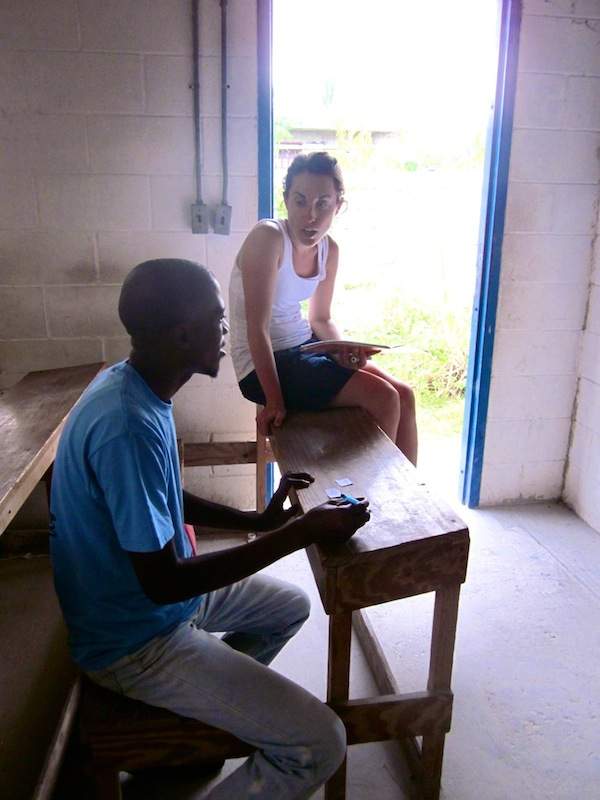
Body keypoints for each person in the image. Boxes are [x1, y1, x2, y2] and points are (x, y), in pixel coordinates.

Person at [49, 258, 371, 799]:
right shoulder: (126, 424)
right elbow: (166, 582)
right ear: (181, 334)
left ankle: (198, 725)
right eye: (219, 320)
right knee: (319, 743)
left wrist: (257, 520)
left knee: (288, 607)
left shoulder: (133, 386)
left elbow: (163, 497)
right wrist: (299, 532)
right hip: (132, 639)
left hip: (152, 606)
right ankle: (193, 713)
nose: (227, 332)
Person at [228, 150, 418, 465]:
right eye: (301, 201)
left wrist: (342, 351)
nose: (311, 215)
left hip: (304, 348)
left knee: (404, 395)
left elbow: (321, 318)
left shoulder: (330, 250)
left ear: (338, 205)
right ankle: (368, 503)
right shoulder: (269, 237)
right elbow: (256, 329)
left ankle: (410, 501)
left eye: (323, 204)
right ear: (286, 199)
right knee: (384, 398)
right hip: (262, 363)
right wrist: (274, 400)